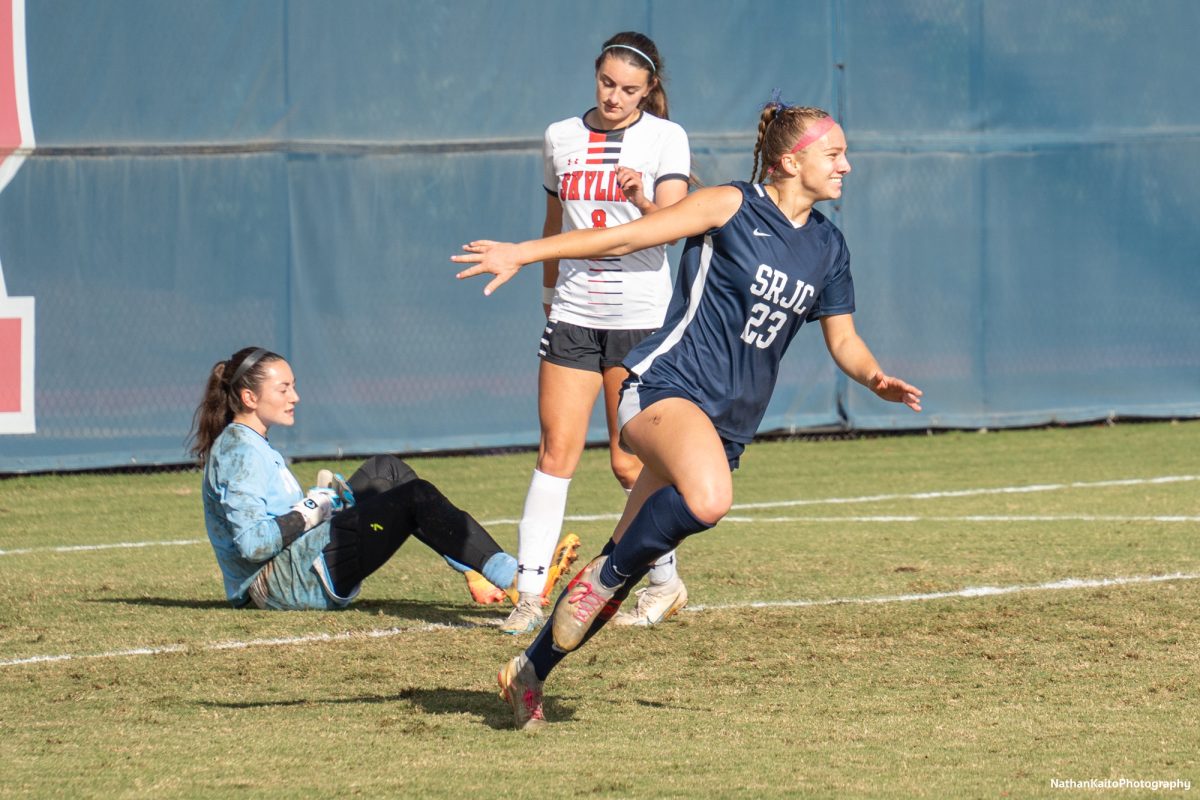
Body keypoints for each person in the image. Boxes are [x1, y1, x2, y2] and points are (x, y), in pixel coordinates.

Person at [454, 101, 924, 729]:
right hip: (664, 388)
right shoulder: (730, 205)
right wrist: (525, 251)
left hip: (727, 424)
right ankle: (612, 571)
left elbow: (843, 338)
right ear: (790, 161)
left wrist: (874, 377)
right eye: (834, 154)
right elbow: (623, 235)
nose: (847, 165)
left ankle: (529, 672)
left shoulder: (828, 246)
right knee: (707, 499)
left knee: (613, 581)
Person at [501, 31, 694, 635]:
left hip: (640, 317)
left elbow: (675, 226)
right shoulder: (560, 136)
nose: (615, 97)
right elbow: (555, 220)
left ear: (649, 89)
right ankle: (529, 596)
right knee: (554, 452)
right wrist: (547, 294)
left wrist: (640, 198)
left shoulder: (666, 138)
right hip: (574, 314)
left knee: (628, 462)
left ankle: (664, 582)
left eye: (629, 89)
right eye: (607, 84)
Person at [188, 346, 579, 611]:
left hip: (293, 565)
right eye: (284, 388)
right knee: (415, 497)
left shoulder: (250, 443)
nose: (296, 397)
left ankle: (480, 572)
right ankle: (515, 576)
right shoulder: (238, 450)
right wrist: (311, 510)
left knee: (385, 471)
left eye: (294, 386)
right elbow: (252, 546)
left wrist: (322, 504)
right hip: (278, 586)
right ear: (250, 397)